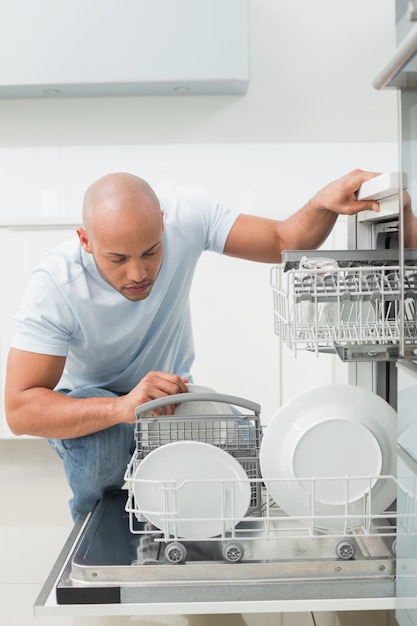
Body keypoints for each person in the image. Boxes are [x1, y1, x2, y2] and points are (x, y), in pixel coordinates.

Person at [5, 169, 380, 521]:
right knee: (103, 446)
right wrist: (121, 408)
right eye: (117, 259)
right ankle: (97, 536)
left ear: (163, 222)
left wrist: (320, 203)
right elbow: (20, 410)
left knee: (242, 452)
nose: (138, 274)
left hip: (169, 395)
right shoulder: (55, 283)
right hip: (93, 402)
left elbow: (284, 241)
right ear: (85, 241)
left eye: (151, 252)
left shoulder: (186, 219)